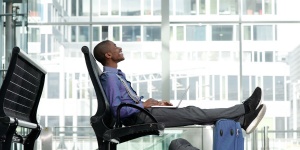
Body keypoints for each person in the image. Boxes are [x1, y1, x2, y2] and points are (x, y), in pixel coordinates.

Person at [93, 40, 266, 134]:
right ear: (108, 55)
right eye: (116, 47)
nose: (120, 48)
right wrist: (143, 105)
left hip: (143, 113)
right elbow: (117, 109)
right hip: (140, 117)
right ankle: (244, 108)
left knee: (194, 115)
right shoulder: (110, 79)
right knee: (194, 112)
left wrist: (153, 103)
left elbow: (124, 103)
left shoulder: (116, 76)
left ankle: (242, 120)